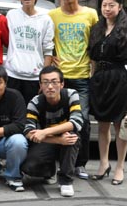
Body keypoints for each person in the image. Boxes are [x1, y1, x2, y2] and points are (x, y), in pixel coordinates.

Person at [48, 0, 98, 180]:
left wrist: (94, 69)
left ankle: (80, 163)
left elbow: (96, 43)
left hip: (82, 77)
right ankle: (54, 162)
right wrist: (50, 58)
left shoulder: (91, 14)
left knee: (82, 120)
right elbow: (46, 42)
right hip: (59, 78)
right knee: (56, 120)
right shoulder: (52, 15)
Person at [88, 0, 127, 185]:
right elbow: (93, 58)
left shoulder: (125, 30)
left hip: (118, 79)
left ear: (120, 7)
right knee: (102, 125)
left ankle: (119, 167)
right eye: (104, 5)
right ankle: (103, 164)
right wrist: (92, 78)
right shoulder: (97, 28)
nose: (107, 9)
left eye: (111, 5)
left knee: (119, 126)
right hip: (99, 80)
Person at [21, 66, 84, 198]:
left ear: (62, 84)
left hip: (64, 136)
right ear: (40, 85)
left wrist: (45, 132)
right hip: (49, 140)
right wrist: (56, 139)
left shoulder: (71, 95)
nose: (50, 87)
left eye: (54, 82)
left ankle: (66, 181)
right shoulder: (35, 102)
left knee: (71, 138)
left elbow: (76, 122)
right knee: (29, 167)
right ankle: (50, 171)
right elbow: (28, 131)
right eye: (45, 82)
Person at [5, 0, 54, 103]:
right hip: (13, 74)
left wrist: (44, 79)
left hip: (34, 77)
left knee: (32, 111)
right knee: (13, 110)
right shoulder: (11, 15)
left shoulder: (45, 20)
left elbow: (48, 51)